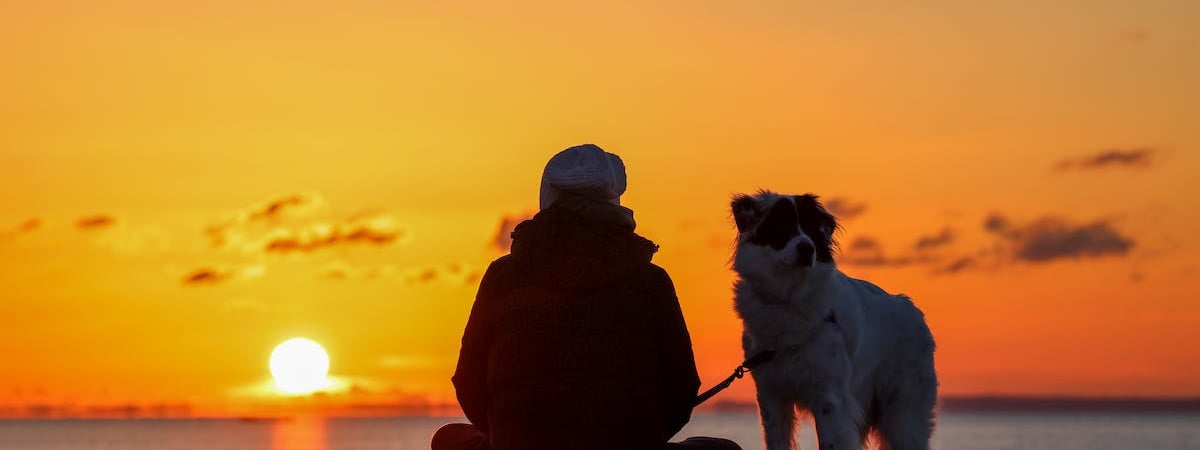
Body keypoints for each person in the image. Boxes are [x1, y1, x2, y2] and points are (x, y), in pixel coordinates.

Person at [432, 145, 741, 450]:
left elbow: (468, 382)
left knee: (448, 438)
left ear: (548, 196)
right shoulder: (652, 282)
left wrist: (506, 435)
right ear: (614, 201)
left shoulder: (503, 277)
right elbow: (682, 387)